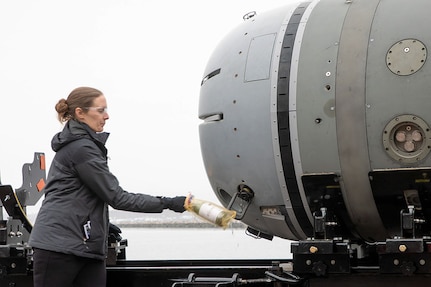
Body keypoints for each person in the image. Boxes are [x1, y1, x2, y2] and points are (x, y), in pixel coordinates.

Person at [29, 87, 186, 287]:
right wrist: (168, 203)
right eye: (101, 110)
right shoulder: (81, 149)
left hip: (85, 246)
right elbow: (116, 197)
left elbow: (86, 197)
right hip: (59, 248)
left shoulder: (83, 146)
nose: (107, 116)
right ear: (80, 113)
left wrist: (98, 223)